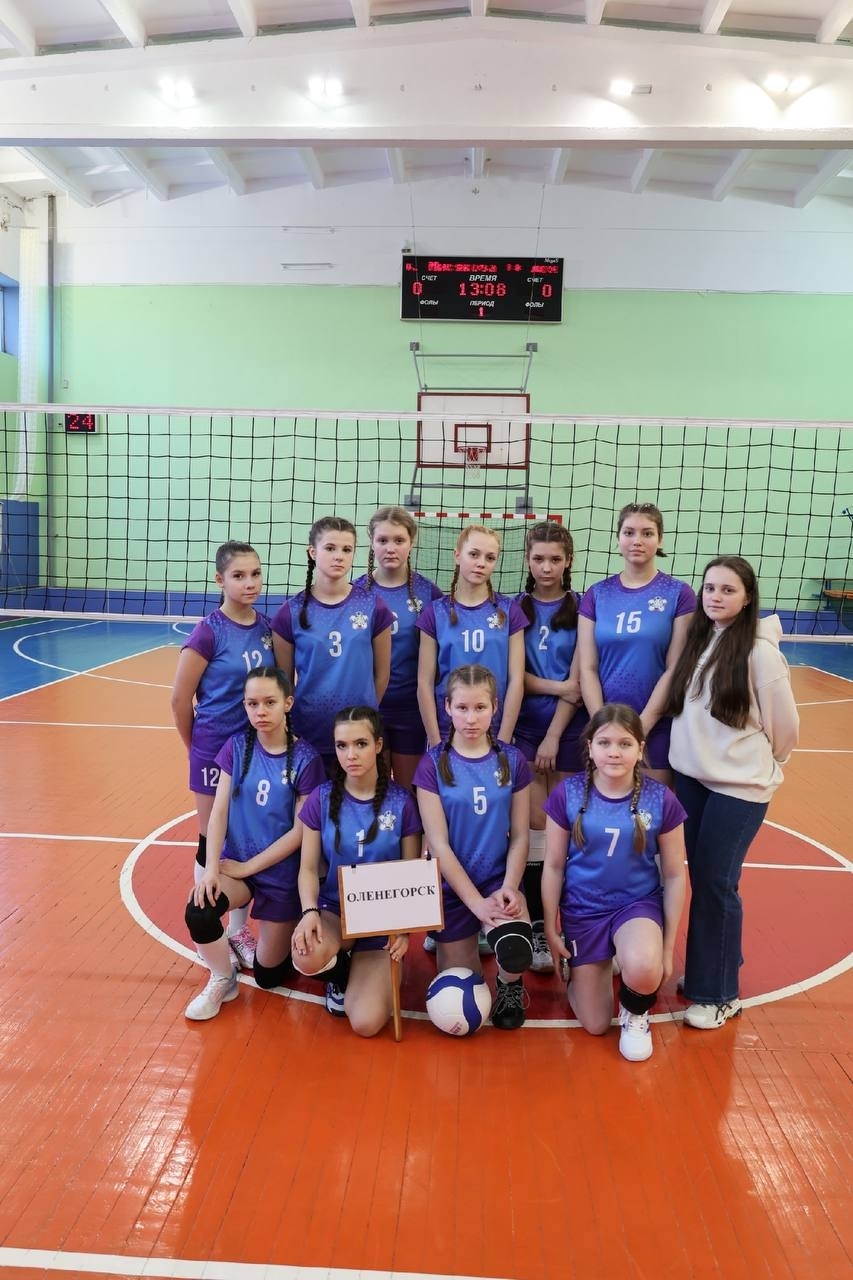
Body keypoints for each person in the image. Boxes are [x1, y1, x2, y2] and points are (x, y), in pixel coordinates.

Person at [667, 555, 799, 1030]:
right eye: (709, 588)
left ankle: (720, 994)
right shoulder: (701, 641)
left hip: (739, 789)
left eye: (727, 590)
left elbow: (786, 729)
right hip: (693, 782)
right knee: (705, 880)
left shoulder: (760, 654)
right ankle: (714, 968)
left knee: (717, 884)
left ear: (747, 599)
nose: (715, 597)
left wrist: (756, 764)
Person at [541, 703, 687, 1062]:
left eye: (625, 743)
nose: (614, 752)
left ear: (640, 749)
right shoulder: (567, 794)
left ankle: (636, 1013)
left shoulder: (660, 799)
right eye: (604, 743)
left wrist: (666, 948)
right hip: (584, 909)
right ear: (590, 747)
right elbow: (554, 866)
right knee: (595, 1024)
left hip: (635, 905)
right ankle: (587, 970)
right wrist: (549, 928)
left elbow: (674, 873)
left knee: (645, 968)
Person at [183, 667, 326, 1020]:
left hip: (280, 877)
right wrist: (211, 869)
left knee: (268, 976)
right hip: (238, 869)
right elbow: (218, 813)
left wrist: (248, 867)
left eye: (269, 702)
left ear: (287, 703)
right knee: (200, 908)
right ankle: (223, 977)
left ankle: (286, 928)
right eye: (252, 704)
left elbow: (299, 832)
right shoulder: (237, 747)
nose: (260, 711)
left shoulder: (306, 759)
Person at [171, 539, 274, 969]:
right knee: (210, 839)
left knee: (244, 837)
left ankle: (238, 930)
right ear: (220, 580)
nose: (249, 583)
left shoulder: (266, 627)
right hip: (214, 750)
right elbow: (180, 700)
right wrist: (196, 749)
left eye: (255, 574)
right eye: (239, 575)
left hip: (255, 751)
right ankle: (210, 931)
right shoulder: (208, 631)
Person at [413, 664, 534, 1031]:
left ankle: (510, 986)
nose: (471, 718)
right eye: (462, 708)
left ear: (495, 707)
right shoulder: (433, 764)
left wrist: (509, 886)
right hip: (453, 888)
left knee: (515, 951)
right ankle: (455, 937)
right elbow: (438, 844)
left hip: (497, 879)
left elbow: (521, 835)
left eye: (480, 708)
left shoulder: (512, 760)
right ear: (447, 707)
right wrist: (475, 904)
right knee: (460, 989)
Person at [291, 706, 422, 1035]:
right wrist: (309, 912)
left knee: (365, 1023)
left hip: (382, 920)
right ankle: (339, 972)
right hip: (336, 912)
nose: (351, 755)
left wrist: (403, 932)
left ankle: (368, 971)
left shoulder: (402, 803)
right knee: (306, 954)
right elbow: (308, 868)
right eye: (342, 745)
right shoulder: (321, 799)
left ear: (378, 745)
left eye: (360, 744)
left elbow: (411, 873)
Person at [577, 502, 696, 784]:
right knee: (606, 805)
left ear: (660, 539)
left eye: (647, 533)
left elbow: (675, 668)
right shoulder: (597, 594)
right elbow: (587, 668)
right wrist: (603, 728)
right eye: (629, 532)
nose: (637, 541)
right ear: (618, 538)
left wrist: (640, 727)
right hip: (603, 727)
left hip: (656, 726)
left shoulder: (678, 594)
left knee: (651, 808)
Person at [515, 520, 587, 974]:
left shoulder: (582, 609)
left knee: (565, 833)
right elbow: (514, 675)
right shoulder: (514, 608)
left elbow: (580, 684)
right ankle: (537, 927)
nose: (546, 567)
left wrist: (555, 736)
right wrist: (558, 686)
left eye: (555, 559)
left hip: (568, 732)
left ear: (568, 562)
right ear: (527, 560)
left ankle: (567, 926)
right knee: (532, 829)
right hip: (523, 730)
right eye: (538, 559)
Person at [271, 515, 394, 776]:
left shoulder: (373, 606)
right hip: (309, 731)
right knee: (311, 801)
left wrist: (365, 711)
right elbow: (284, 682)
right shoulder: (290, 612)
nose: (339, 556)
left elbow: (382, 674)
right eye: (330, 548)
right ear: (313, 552)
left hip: (359, 732)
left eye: (347, 549)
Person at [354, 506, 442, 791]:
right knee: (372, 792)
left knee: (408, 793)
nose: (390, 548)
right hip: (368, 707)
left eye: (399, 540)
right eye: (382, 540)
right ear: (371, 542)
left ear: (411, 542)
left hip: (411, 710)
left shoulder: (429, 593)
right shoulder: (356, 594)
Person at [416, 524, 526, 747]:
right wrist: (436, 741)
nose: (481, 563)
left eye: (490, 557)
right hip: (447, 729)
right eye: (474, 554)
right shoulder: (435, 612)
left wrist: (503, 739)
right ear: (457, 555)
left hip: (494, 729)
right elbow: (424, 683)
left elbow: (516, 680)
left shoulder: (509, 610)